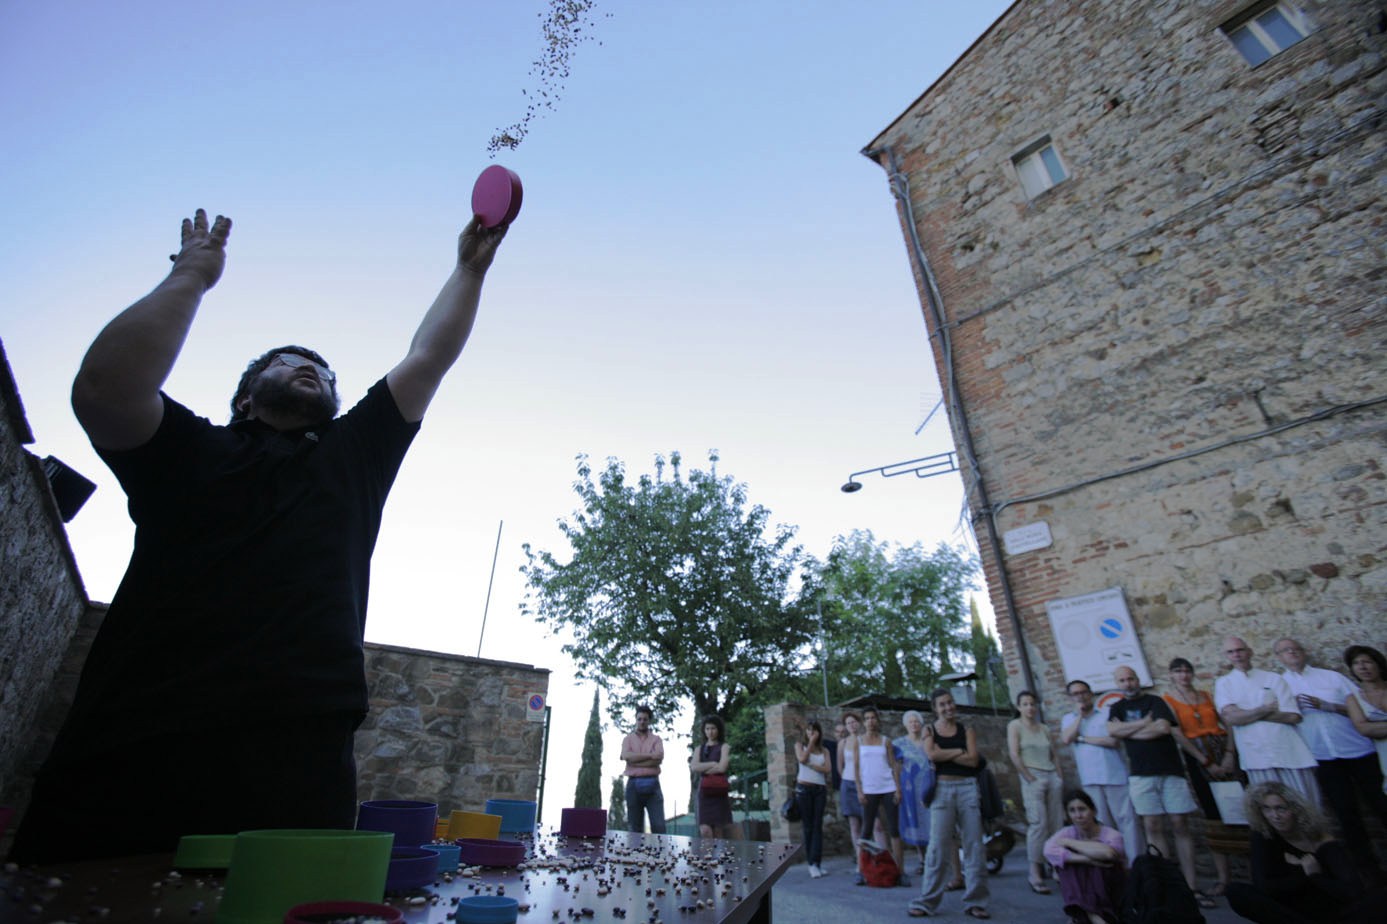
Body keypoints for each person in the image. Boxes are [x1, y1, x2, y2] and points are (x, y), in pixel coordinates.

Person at [11, 208, 508, 864]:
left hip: (297, 761)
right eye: (288, 362)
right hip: (131, 746)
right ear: (245, 398)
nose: (311, 370)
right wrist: (191, 274)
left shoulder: (352, 454)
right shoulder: (185, 449)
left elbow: (427, 357)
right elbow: (106, 389)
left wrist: (469, 270)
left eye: (322, 371)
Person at [1106, 665, 1213, 908]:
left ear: (1138, 680)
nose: (1128, 683)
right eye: (1122, 680)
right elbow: (1112, 731)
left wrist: (1129, 731)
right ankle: (1168, 886)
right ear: (1117, 683)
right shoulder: (1116, 708)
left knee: (1179, 824)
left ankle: (1191, 887)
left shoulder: (1155, 701)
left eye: (1131, 678)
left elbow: (1164, 728)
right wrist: (1144, 724)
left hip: (1170, 771)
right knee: (1153, 826)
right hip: (1141, 775)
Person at [1274, 638, 1387, 867]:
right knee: (1347, 815)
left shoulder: (1332, 677)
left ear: (1304, 652)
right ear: (1279, 657)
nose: (1292, 653)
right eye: (1286, 651)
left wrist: (1327, 706)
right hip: (1323, 757)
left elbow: (1362, 707)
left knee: (1382, 805)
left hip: (1358, 750)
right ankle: (1369, 871)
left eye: (1296, 648)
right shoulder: (1279, 686)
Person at [1225, 781, 1372, 924]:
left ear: (1295, 809)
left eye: (1281, 808)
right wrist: (1304, 874)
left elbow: (1354, 892)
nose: (1275, 816)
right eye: (1267, 809)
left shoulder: (1321, 841)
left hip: (1322, 906)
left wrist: (1315, 876)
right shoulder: (1263, 836)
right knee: (1236, 891)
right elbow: (1263, 886)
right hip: (1287, 907)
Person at [910, 688, 990, 919]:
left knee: (974, 845)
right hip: (942, 790)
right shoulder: (929, 729)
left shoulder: (967, 729)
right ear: (935, 708)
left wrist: (944, 751)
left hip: (967, 789)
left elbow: (974, 760)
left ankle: (976, 901)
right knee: (937, 846)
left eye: (950, 703)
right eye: (942, 704)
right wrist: (959, 751)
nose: (948, 708)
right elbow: (931, 756)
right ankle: (927, 901)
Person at [1215, 636, 1322, 806]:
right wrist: (1264, 709)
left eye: (1240, 650)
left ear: (1249, 652)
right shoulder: (1224, 683)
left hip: (1289, 752)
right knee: (1268, 810)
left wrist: (1247, 714)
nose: (1236, 655)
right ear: (1226, 656)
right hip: (1256, 757)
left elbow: (1293, 716)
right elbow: (1232, 718)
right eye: (1231, 652)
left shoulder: (1273, 679)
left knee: (1304, 805)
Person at [1164, 656, 1239, 894]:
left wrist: (1229, 753)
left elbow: (1227, 724)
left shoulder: (1206, 696)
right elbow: (1178, 734)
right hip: (1198, 757)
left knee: (1239, 808)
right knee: (1212, 814)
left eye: (1187, 671)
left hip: (1221, 751)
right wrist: (1203, 759)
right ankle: (1224, 877)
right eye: (1178, 671)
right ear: (1171, 675)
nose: (1184, 675)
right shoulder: (1168, 701)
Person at [1061, 678, 1146, 866]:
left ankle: (1136, 864)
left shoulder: (1107, 713)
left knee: (1128, 822)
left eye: (1083, 692)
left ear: (1090, 694)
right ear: (1070, 698)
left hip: (1114, 775)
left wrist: (1082, 738)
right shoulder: (1069, 719)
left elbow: (1113, 741)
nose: (1080, 697)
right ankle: (1113, 864)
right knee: (1101, 823)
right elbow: (1067, 738)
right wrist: (1080, 717)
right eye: (1075, 694)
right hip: (1090, 778)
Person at [1043, 788, 1127, 924]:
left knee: (1075, 865)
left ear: (1093, 811)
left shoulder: (1110, 834)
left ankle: (1080, 914)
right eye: (1072, 811)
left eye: (1082, 809)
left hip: (1109, 883)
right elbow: (1048, 850)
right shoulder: (1067, 832)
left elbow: (1108, 854)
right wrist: (1090, 858)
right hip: (1085, 885)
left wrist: (1069, 843)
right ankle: (1093, 916)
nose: (1078, 815)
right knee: (1066, 866)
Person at [1008, 690, 1063, 894]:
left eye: (1032, 704)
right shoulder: (1015, 726)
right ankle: (1035, 871)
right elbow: (1014, 754)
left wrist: (1059, 776)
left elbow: (1054, 753)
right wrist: (1030, 778)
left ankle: (1056, 865)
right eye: (1025, 704)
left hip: (1051, 775)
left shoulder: (1044, 729)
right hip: (1032, 775)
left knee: (1056, 822)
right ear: (1019, 707)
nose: (1030, 708)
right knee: (1038, 823)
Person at [855, 706, 909, 886]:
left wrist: (898, 788)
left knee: (894, 829)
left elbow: (893, 765)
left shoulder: (886, 741)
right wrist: (859, 790)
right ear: (863, 722)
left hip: (888, 787)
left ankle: (900, 871)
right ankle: (862, 870)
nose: (871, 721)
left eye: (873, 718)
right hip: (869, 789)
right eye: (867, 718)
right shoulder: (859, 741)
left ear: (878, 720)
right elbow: (856, 768)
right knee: (866, 831)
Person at [895, 710, 935, 874]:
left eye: (916, 721)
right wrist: (897, 787)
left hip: (929, 786)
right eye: (910, 722)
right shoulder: (899, 744)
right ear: (905, 725)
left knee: (933, 820)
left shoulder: (928, 742)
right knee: (916, 822)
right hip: (910, 789)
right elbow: (896, 767)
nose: (914, 725)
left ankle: (936, 859)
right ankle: (922, 859)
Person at [1343, 645, 1387, 792]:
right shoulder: (1353, 698)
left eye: (1367, 662)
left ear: (1378, 665)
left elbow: (1370, 727)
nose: (1362, 667)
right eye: (1356, 663)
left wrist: (1377, 727)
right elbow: (1363, 728)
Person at [794, 721, 831, 878]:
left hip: (820, 790)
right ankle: (811, 863)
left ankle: (817, 862)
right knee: (808, 826)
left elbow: (827, 769)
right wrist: (810, 743)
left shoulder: (824, 750)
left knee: (817, 826)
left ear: (819, 732)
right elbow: (802, 759)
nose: (811, 733)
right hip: (804, 790)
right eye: (809, 730)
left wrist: (813, 766)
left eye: (814, 730)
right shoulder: (799, 745)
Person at [621, 705, 666, 833]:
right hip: (633, 784)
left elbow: (658, 759)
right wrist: (649, 756)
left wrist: (635, 761)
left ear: (649, 721)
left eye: (645, 719)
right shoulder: (627, 739)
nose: (642, 722)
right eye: (639, 719)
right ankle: (635, 853)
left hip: (653, 783)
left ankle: (660, 852)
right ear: (636, 720)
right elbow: (626, 756)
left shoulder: (656, 740)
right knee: (634, 827)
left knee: (658, 826)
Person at [690, 714, 735, 840]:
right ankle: (708, 857)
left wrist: (704, 768)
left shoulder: (724, 747)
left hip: (719, 790)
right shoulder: (700, 748)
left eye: (713, 728)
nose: (710, 732)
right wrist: (713, 764)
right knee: (705, 830)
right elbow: (694, 767)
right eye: (707, 729)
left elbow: (722, 768)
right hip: (704, 792)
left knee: (719, 831)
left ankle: (718, 858)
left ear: (718, 729)